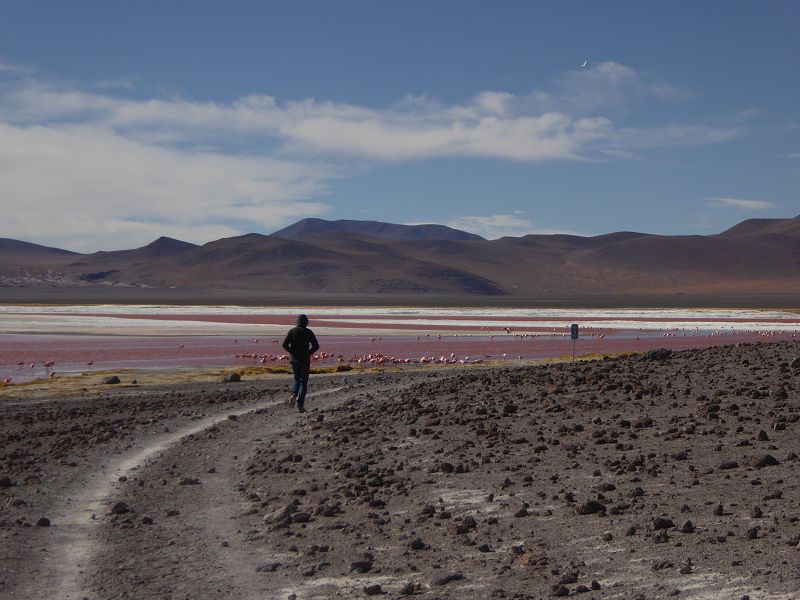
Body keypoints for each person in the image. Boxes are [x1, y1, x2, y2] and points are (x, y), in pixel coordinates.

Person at [281, 314, 319, 413]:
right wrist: (308, 353)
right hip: (304, 360)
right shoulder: (308, 332)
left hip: (294, 360)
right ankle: (300, 406)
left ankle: (294, 394)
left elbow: (284, 345)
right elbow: (316, 346)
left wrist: (292, 352)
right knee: (303, 382)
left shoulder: (292, 331)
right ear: (306, 322)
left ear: (297, 322)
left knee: (297, 379)